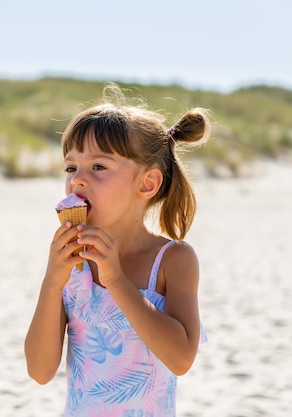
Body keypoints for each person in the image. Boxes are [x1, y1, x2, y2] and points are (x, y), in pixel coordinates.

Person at [24, 84, 210, 417]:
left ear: (147, 184)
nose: (78, 180)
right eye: (71, 168)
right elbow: (40, 371)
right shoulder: (73, 264)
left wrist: (116, 279)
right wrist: (52, 281)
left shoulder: (172, 260)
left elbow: (181, 359)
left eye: (98, 167)